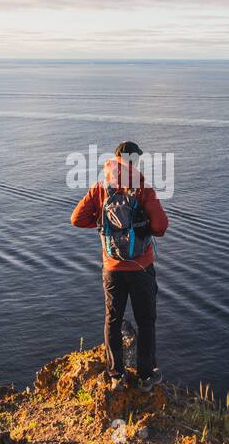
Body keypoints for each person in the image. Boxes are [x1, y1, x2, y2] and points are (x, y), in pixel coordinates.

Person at [70, 141, 169, 390]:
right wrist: (139, 228)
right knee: (145, 321)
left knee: (113, 320)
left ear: (115, 159)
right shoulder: (143, 188)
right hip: (141, 268)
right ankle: (146, 376)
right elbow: (161, 226)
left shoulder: (101, 188)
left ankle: (116, 375)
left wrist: (104, 225)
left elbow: (76, 219)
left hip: (112, 268)